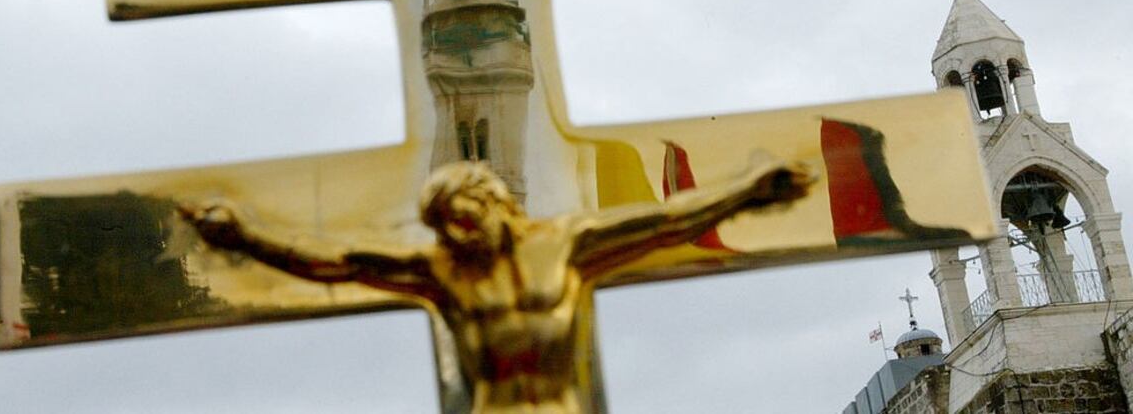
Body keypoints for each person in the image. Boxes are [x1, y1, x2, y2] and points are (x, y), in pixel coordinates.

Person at [182, 158, 811, 413]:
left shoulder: (565, 242)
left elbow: (668, 220)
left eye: (459, 216)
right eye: (441, 227)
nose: (454, 234)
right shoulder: (441, 270)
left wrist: (749, 191)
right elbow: (340, 261)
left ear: (491, 199)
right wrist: (246, 240)